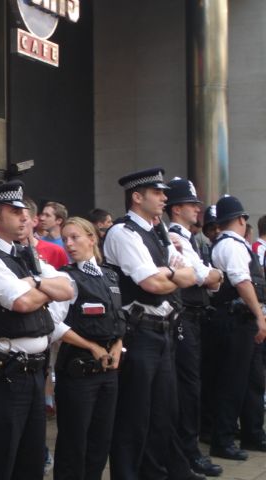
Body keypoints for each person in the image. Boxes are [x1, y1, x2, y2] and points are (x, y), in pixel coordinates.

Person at [0, 180, 74, 479]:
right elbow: (22, 303)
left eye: (25, 210)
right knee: (0, 461)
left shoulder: (25, 255)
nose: (26, 216)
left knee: (30, 462)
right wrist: (39, 289)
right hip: (5, 374)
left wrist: (36, 282)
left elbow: (68, 287)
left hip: (35, 372)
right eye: (15, 211)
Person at [103, 167, 198, 479]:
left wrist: (167, 275)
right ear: (137, 196)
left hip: (163, 331)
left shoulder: (157, 232)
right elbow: (151, 284)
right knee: (134, 415)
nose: (164, 198)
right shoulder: (123, 232)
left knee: (162, 413)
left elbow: (189, 275)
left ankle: (155, 473)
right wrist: (170, 275)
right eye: (157, 193)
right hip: (138, 332)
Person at [53, 216, 126, 480]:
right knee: (74, 442)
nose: (69, 244)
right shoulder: (65, 278)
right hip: (78, 370)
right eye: (65, 239)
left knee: (100, 440)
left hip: (108, 370)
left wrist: (117, 345)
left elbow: (118, 319)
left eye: (75, 237)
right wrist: (91, 347)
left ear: (92, 238)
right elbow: (54, 324)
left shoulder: (110, 276)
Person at [164, 178, 224, 477]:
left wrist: (210, 275)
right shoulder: (175, 236)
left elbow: (212, 280)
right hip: (184, 316)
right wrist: (210, 275)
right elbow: (204, 277)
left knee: (191, 386)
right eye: (192, 204)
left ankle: (187, 450)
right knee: (187, 388)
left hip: (194, 316)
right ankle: (187, 452)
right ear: (177, 209)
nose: (197, 208)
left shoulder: (187, 237)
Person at [207, 195, 266, 461]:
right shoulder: (231, 246)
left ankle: (253, 433)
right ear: (242, 219)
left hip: (241, 320)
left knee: (251, 380)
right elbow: (242, 282)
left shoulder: (233, 244)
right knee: (232, 382)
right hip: (235, 319)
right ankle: (224, 439)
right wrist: (260, 316)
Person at [23, 197, 68, 269]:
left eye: (47, 215)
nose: (42, 218)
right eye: (42, 214)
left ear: (59, 221)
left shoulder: (67, 243)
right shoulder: (37, 242)